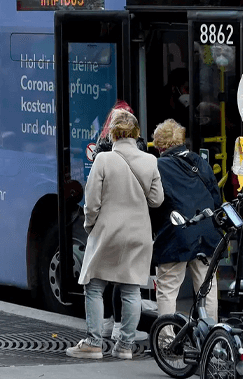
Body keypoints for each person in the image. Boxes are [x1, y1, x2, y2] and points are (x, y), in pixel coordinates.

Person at [67, 109, 163, 360]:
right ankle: (125, 347)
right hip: (139, 234)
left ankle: (94, 343)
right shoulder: (150, 160)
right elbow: (157, 199)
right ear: (136, 133)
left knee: (95, 286)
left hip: (108, 231)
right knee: (131, 290)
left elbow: (91, 202)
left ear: (112, 134)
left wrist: (90, 226)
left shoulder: (103, 160)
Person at [151, 119, 221, 320]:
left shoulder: (158, 166)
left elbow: (154, 202)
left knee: (167, 288)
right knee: (207, 288)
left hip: (175, 234)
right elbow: (215, 198)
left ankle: (165, 341)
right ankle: (212, 340)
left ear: (160, 145)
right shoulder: (199, 162)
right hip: (206, 233)